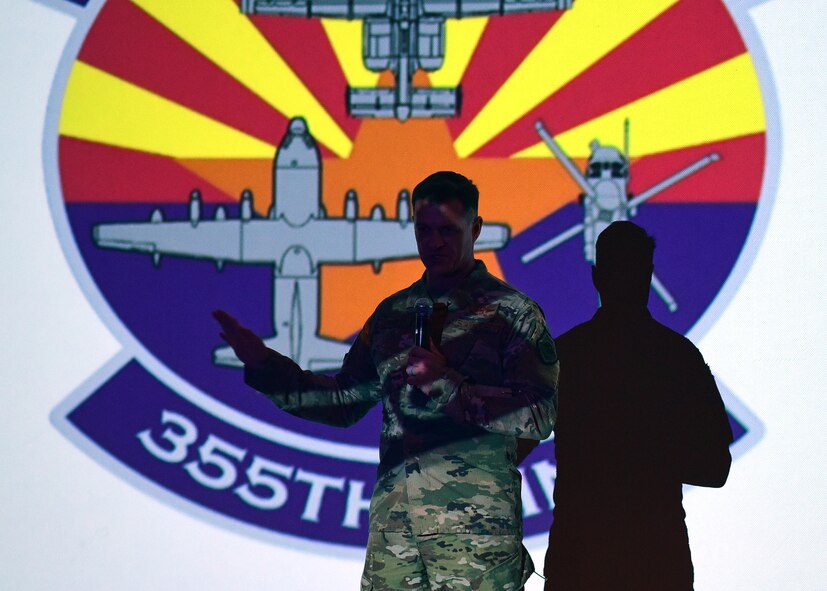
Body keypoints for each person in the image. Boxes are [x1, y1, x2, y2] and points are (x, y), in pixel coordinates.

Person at [214, 171, 559, 590]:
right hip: (395, 535)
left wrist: (446, 385)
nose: (434, 242)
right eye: (424, 230)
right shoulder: (391, 314)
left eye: (448, 231)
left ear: (476, 229)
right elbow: (344, 402)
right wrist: (267, 367)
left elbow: (539, 415)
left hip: (474, 536)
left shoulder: (512, 313)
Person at [536, 221, 733, 590]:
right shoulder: (679, 357)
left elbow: (515, 444)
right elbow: (715, 467)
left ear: (596, 277)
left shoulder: (564, 356)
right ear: (649, 274)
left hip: (581, 558)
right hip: (655, 558)